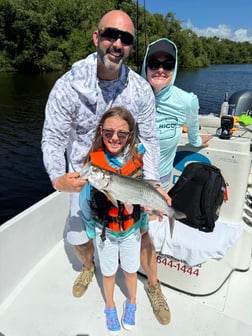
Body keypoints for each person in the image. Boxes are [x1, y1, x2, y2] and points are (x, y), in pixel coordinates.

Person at [41, 10, 170, 326]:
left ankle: (153, 285)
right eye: (111, 34)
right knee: (79, 238)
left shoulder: (140, 89)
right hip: (85, 177)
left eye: (126, 39)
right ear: (97, 37)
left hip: (129, 176)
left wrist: (151, 182)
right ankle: (89, 267)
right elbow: (53, 138)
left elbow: (149, 139)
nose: (117, 43)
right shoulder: (68, 86)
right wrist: (58, 178)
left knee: (143, 234)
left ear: (129, 47)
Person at [79, 106, 148, 334]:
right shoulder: (94, 162)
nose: (115, 138)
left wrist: (144, 225)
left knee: (130, 270)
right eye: (108, 133)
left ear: (130, 135)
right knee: (108, 272)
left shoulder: (137, 160)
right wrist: (90, 230)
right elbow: (84, 200)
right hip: (104, 231)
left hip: (131, 230)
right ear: (101, 132)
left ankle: (132, 303)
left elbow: (141, 196)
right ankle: (110, 306)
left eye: (122, 133)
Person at [141, 38, 212, 191]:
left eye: (168, 65)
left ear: (174, 69)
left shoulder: (187, 101)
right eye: (154, 63)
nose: (160, 70)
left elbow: (193, 133)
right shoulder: (130, 97)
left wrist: (197, 141)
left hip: (160, 180)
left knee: (156, 215)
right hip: (128, 178)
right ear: (145, 66)